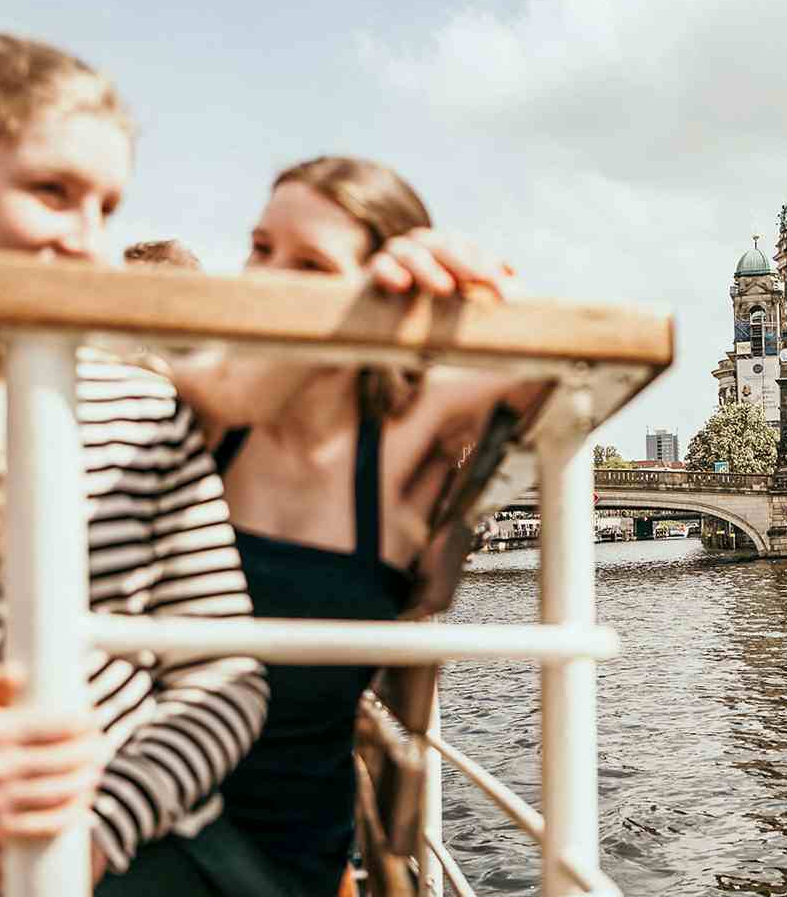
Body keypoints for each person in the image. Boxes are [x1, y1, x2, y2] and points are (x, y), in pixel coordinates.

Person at [0, 34, 272, 896]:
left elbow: (224, 677)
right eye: (53, 194)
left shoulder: (144, 410)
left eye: (105, 210)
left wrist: (103, 824)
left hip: (137, 850)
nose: (88, 246)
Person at [128, 157, 516, 897]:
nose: (269, 279)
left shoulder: (402, 445)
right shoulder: (206, 409)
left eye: (309, 264)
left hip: (285, 860)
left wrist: (474, 280)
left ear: (381, 292)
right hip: (132, 830)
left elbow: (554, 376)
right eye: (260, 249)